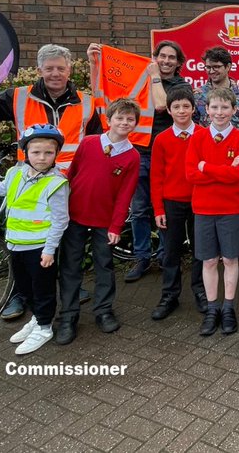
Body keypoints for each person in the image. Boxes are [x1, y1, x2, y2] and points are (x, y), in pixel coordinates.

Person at [0, 43, 101, 321]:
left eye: (61, 68)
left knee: (66, 238)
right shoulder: (18, 97)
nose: (55, 73)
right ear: (40, 70)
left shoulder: (88, 102)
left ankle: (66, 286)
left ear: (69, 71)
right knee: (21, 241)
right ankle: (19, 295)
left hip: (66, 184)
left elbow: (97, 142)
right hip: (28, 182)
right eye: (49, 68)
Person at [0, 124, 69, 355]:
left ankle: (45, 327)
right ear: (25, 153)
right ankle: (36, 319)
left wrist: (50, 250)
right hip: (16, 244)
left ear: (56, 154)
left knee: (43, 289)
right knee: (25, 288)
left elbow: (60, 220)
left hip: (39, 247)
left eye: (48, 152)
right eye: (36, 152)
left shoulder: (57, 183)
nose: (42, 157)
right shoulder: (15, 173)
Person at [94, 40, 183, 284]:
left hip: (165, 154)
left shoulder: (179, 85)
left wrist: (154, 77)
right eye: (162, 56)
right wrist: (96, 63)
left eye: (171, 57)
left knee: (163, 208)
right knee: (140, 208)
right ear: (155, 56)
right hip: (139, 151)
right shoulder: (139, 77)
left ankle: (166, 256)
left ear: (178, 62)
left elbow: (163, 106)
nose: (166, 61)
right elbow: (109, 95)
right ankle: (142, 257)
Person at [54, 98, 142, 345]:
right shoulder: (89, 143)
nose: (124, 122)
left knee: (104, 265)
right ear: (109, 120)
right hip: (75, 216)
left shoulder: (132, 156)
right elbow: (71, 175)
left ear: (135, 123)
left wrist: (116, 226)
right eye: (120, 118)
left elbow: (125, 194)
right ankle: (68, 316)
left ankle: (103, 310)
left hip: (105, 221)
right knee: (71, 266)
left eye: (129, 119)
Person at [187, 87, 239, 336]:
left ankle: (228, 308)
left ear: (234, 110)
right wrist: (224, 169)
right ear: (206, 109)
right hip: (203, 208)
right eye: (214, 107)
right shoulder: (197, 138)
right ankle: (212, 308)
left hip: (230, 208)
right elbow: (191, 174)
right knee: (210, 260)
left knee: (231, 259)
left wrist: (206, 166)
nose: (219, 112)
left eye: (225, 107)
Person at [148, 85, 207, 321]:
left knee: (200, 249)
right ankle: (169, 295)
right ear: (169, 111)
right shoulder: (161, 139)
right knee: (171, 251)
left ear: (193, 108)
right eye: (176, 107)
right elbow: (156, 177)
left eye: (185, 106)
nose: (181, 110)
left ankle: (201, 291)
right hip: (171, 202)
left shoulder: (204, 135)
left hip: (200, 201)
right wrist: (158, 209)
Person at [194, 45, 239, 268]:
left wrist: (237, 150)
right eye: (208, 67)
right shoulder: (199, 94)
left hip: (236, 157)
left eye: (217, 67)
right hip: (207, 157)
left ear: (228, 67)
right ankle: (215, 249)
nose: (211, 71)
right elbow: (193, 125)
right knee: (210, 198)